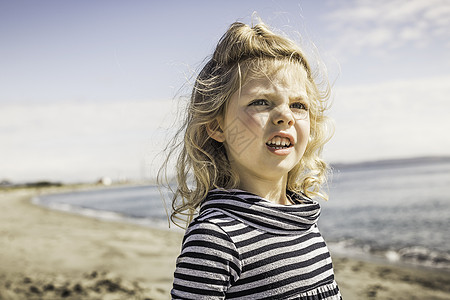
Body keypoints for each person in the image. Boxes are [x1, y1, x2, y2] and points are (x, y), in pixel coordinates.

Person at [160, 19, 341, 299]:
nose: (285, 115)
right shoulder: (215, 237)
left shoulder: (302, 220)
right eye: (261, 102)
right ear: (217, 126)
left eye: (298, 105)